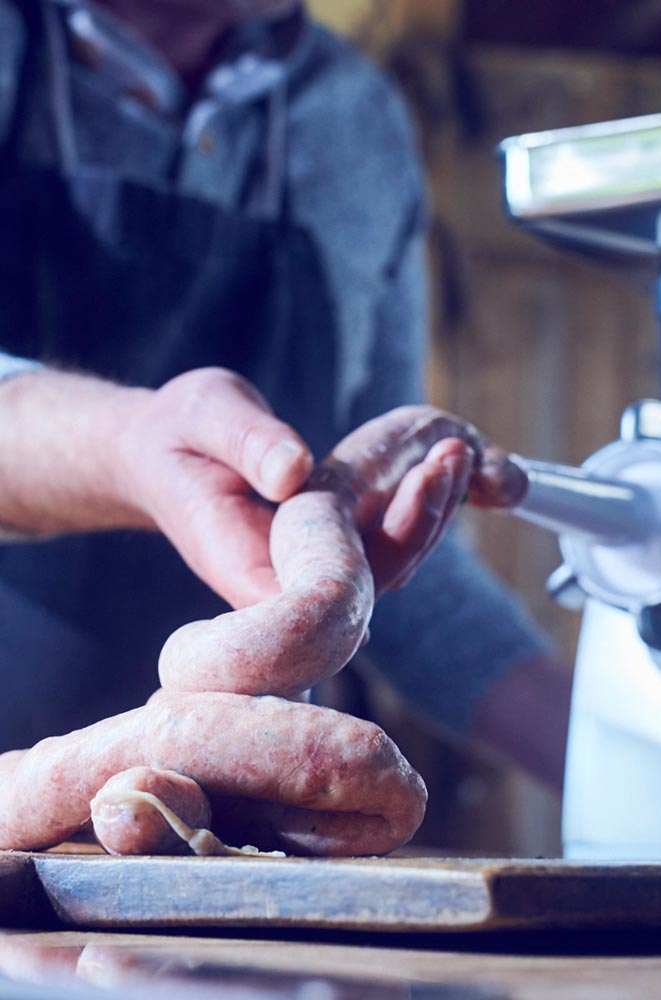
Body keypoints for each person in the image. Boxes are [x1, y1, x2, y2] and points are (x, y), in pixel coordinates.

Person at [0, 0, 570, 797]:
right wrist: (132, 444)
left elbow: (384, 558)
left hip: (241, 828)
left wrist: (626, 771)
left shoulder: (354, 117)